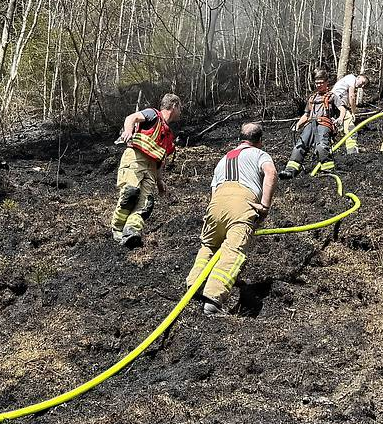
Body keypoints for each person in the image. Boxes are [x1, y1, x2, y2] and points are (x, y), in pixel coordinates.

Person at [185, 122, 278, 316]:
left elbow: (213, 189)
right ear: (259, 141)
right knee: (233, 250)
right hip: (242, 203)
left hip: (216, 204)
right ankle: (213, 299)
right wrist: (265, 206)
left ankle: (195, 285)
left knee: (209, 246)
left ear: (240, 139)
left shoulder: (224, 158)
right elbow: (271, 173)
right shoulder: (259, 154)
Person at [110, 93, 181, 247]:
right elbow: (131, 118)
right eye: (179, 108)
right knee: (131, 192)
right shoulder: (153, 115)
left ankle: (131, 232)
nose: (180, 112)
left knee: (145, 203)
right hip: (135, 159)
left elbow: (161, 161)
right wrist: (128, 131)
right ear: (174, 106)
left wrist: (160, 182)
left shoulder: (168, 135)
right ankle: (117, 228)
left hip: (151, 170)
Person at [280, 73, 338, 179]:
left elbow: (342, 109)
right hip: (310, 124)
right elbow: (306, 115)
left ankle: (328, 169)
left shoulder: (332, 97)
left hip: (324, 124)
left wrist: (339, 120)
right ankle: (290, 170)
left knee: (321, 145)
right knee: (299, 145)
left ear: (326, 83)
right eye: (317, 83)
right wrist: (298, 125)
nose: (319, 85)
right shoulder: (312, 98)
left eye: (321, 82)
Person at [330, 73, 367, 156]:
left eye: (364, 85)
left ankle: (329, 150)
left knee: (336, 126)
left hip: (335, 104)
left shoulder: (346, 81)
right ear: (358, 77)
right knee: (350, 125)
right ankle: (352, 151)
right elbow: (352, 96)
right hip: (336, 102)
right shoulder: (352, 78)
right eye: (363, 82)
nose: (362, 86)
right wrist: (353, 112)